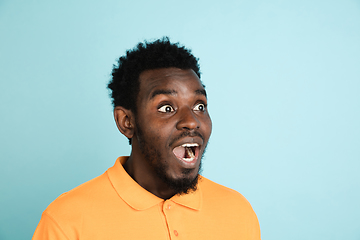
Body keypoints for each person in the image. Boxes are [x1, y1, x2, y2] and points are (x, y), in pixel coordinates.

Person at [32, 37, 261, 239]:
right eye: (166, 108)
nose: (192, 121)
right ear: (126, 122)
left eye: (199, 105)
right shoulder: (65, 222)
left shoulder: (238, 212)